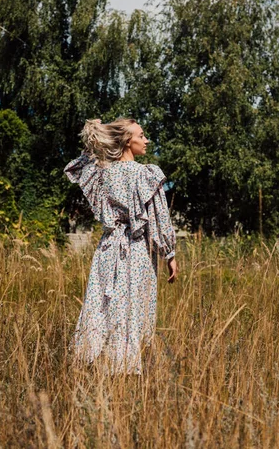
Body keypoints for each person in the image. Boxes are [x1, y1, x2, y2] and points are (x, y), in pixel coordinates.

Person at [64, 117, 178, 375]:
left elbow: (78, 164)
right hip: (136, 249)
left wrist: (96, 131)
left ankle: (91, 359)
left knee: (101, 304)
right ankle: (124, 367)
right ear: (128, 141)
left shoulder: (102, 172)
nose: (146, 139)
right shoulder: (145, 174)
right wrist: (169, 253)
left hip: (107, 249)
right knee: (132, 307)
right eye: (141, 135)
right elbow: (159, 218)